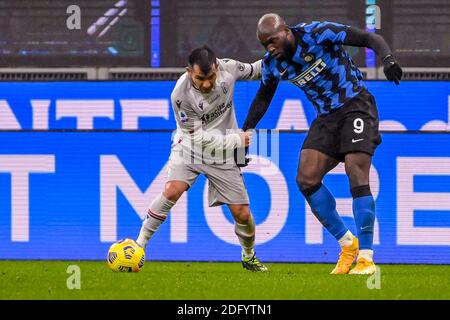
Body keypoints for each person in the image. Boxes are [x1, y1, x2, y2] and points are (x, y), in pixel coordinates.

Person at [242, 13, 403, 274]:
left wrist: (387, 59)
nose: (270, 48)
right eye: (264, 45)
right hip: (326, 118)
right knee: (306, 178)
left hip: (355, 105)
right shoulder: (273, 64)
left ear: (286, 31)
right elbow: (263, 97)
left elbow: (368, 37)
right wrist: (246, 130)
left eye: (272, 41)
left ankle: (366, 257)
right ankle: (347, 243)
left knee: (355, 169)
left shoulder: (317, 33)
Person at [136, 45, 268, 272]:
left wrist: (282, 60)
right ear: (189, 72)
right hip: (190, 149)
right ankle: (139, 246)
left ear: (217, 67)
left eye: (211, 77)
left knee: (242, 214)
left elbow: (257, 70)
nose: (206, 84)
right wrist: (237, 141)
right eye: (200, 78)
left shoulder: (229, 68)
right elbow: (199, 139)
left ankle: (248, 255)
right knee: (172, 190)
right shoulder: (180, 95)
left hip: (223, 156)